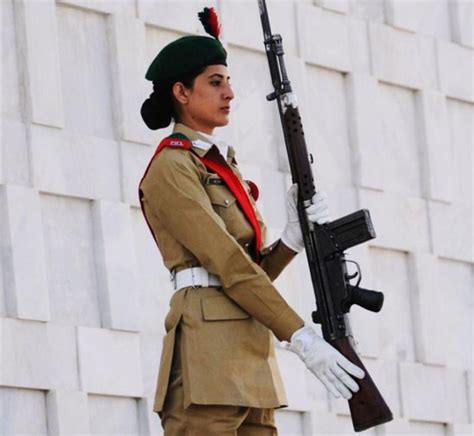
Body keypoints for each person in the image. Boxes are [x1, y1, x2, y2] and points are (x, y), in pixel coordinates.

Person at [138, 7, 365, 436]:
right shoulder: (173, 168)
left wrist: (293, 238)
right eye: (215, 82)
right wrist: (300, 337)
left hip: (252, 360)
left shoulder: (223, 166)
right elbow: (228, 263)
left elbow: (253, 271)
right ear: (182, 93)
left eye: (229, 80)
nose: (230, 92)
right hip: (207, 364)